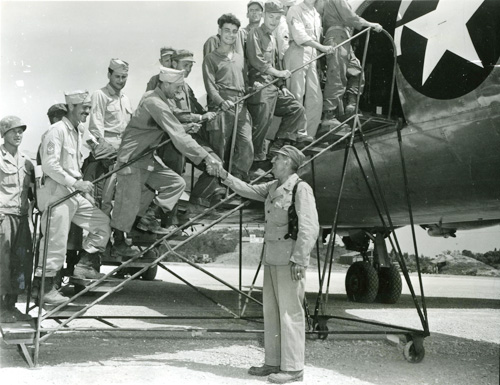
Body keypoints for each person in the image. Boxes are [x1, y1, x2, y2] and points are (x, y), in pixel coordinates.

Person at [212, 145, 319, 384]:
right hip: (272, 258)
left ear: (289, 162)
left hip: (290, 260)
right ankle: (273, 362)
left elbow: (310, 227)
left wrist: (300, 259)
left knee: (290, 313)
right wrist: (224, 175)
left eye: (277, 158)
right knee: (271, 313)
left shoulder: (301, 189)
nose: (272, 161)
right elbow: (248, 189)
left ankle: (293, 369)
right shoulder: (273, 187)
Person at [111, 68, 223, 245]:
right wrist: (206, 157)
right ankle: (117, 244)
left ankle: (148, 219)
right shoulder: (155, 103)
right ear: (166, 83)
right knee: (128, 205)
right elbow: (178, 136)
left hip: (146, 158)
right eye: (177, 87)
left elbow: (168, 122)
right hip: (131, 160)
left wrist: (187, 126)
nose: (179, 92)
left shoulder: (158, 98)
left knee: (176, 183)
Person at [34, 91, 111, 305]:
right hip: (57, 191)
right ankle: (44, 289)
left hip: (74, 193)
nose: (87, 111)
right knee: (54, 242)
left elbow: (94, 151)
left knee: (102, 223)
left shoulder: (78, 131)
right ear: (71, 107)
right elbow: (50, 165)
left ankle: (85, 265)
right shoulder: (56, 131)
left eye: (88, 108)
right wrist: (77, 183)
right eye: (83, 108)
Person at [246, 0, 307, 172]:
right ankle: (255, 162)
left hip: (273, 86)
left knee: (297, 109)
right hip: (260, 87)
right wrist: (280, 74)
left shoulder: (273, 37)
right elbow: (257, 61)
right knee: (262, 121)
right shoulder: (254, 34)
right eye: (271, 16)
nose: (273, 21)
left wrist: (281, 85)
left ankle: (278, 144)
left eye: (277, 17)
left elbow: (276, 63)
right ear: (264, 15)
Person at [203, 13, 254, 181]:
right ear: (219, 31)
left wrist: (253, 88)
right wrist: (221, 102)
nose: (230, 35)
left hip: (240, 105)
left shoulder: (240, 59)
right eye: (227, 30)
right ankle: (216, 188)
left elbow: (244, 81)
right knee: (220, 148)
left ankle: (237, 181)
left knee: (246, 143)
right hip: (221, 107)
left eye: (234, 31)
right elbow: (210, 86)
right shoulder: (211, 58)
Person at [321, 0, 382, 129]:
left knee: (356, 70)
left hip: (345, 38)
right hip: (336, 37)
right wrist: (370, 24)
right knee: (337, 76)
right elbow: (349, 16)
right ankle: (329, 115)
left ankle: (351, 106)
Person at [84, 59, 133, 214]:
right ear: (109, 75)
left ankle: (119, 235)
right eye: (117, 76)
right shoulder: (100, 95)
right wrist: (105, 152)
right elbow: (96, 127)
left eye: (123, 77)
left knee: (122, 197)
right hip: (108, 154)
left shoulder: (125, 99)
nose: (120, 81)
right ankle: (104, 237)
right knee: (104, 199)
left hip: (124, 154)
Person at [0, 116, 34, 323]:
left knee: (21, 262)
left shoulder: (26, 160)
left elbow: (31, 191)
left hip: (21, 217)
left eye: (21, 131)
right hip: (3, 216)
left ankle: (11, 306)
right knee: (2, 263)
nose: (18, 134)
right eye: (13, 131)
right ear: (3, 133)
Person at [284, 0, 334, 138]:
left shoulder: (316, 15)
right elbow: (300, 37)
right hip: (297, 53)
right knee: (297, 96)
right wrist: (322, 48)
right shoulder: (295, 9)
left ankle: (308, 136)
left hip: (312, 57)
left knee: (316, 99)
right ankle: (295, 134)